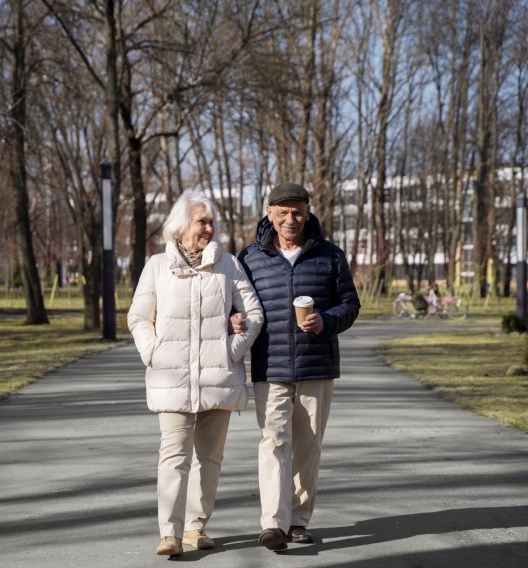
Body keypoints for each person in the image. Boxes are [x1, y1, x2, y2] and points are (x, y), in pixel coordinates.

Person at [128, 190, 264, 557]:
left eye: (211, 222)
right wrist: (152, 352)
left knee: (210, 458)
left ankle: (195, 528)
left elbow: (253, 314)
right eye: (202, 221)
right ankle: (169, 533)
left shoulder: (229, 265)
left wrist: (232, 349)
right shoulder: (157, 266)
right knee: (173, 456)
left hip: (217, 378)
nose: (209, 228)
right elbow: (139, 317)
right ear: (181, 224)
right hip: (171, 379)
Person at [236, 181, 360, 551]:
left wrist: (326, 319)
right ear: (269, 213)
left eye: (298, 210)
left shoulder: (330, 255)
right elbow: (235, 304)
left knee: (307, 445)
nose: (291, 218)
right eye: (283, 211)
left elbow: (350, 304)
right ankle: (273, 522)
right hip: (269, 365)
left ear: (308, 211)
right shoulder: (250, 257)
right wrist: (234, 320)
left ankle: (298, 521)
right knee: (274, 442)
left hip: (317, 365)